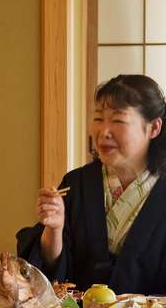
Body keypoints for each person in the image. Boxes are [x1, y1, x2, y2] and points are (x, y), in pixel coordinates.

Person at [17, 74, 166, 295]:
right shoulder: (77, 183)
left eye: (117, 120)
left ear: (153, 128)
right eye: (98, 119)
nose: (103, 132)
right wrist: (54, 228)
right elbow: (50, 274)